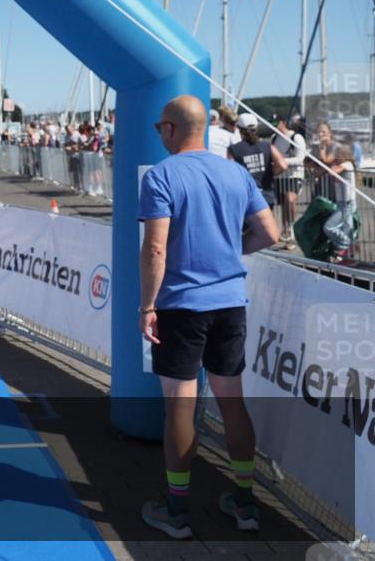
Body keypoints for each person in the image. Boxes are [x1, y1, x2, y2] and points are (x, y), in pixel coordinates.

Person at [138, 95, 280, 539]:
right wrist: (228, 254)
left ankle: (177, 511)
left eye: (160, 127)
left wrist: (147, 305)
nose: (159, 134)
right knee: (231, 402)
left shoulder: (162, 175)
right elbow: (270, 233)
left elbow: (156, 249)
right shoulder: (236, 172)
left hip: (182, 306)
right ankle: (244, 504)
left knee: (180, 406)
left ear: (172, 129)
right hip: (230, 302)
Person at [227, 113, 287, 207]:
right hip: (266, 195)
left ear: (239, 129)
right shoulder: (267, 146)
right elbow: (283, 165)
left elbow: (230, 173)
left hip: (246, 196)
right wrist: (270, 172)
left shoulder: (233, 149)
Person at [271, 117, 307, 243]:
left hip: (294, 175)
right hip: (279, 176)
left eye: (277, 123)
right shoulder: (273, 138)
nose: (274, 126)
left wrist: (281, 162)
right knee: (283, 206)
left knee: (290, 199)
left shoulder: (296, 137)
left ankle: (290, 228)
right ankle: (286, 230)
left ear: (284, 123)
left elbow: (300, 158)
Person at [322, 144, 358, 262]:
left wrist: (329, 162)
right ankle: (347, 254)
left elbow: (332, 172)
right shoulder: (340, 166)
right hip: (342, 203)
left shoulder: (347, 164)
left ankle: (347, 246)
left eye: (338, 154)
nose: (336, 157)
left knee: (329, 227)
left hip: (347, 203)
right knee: (347, 229)